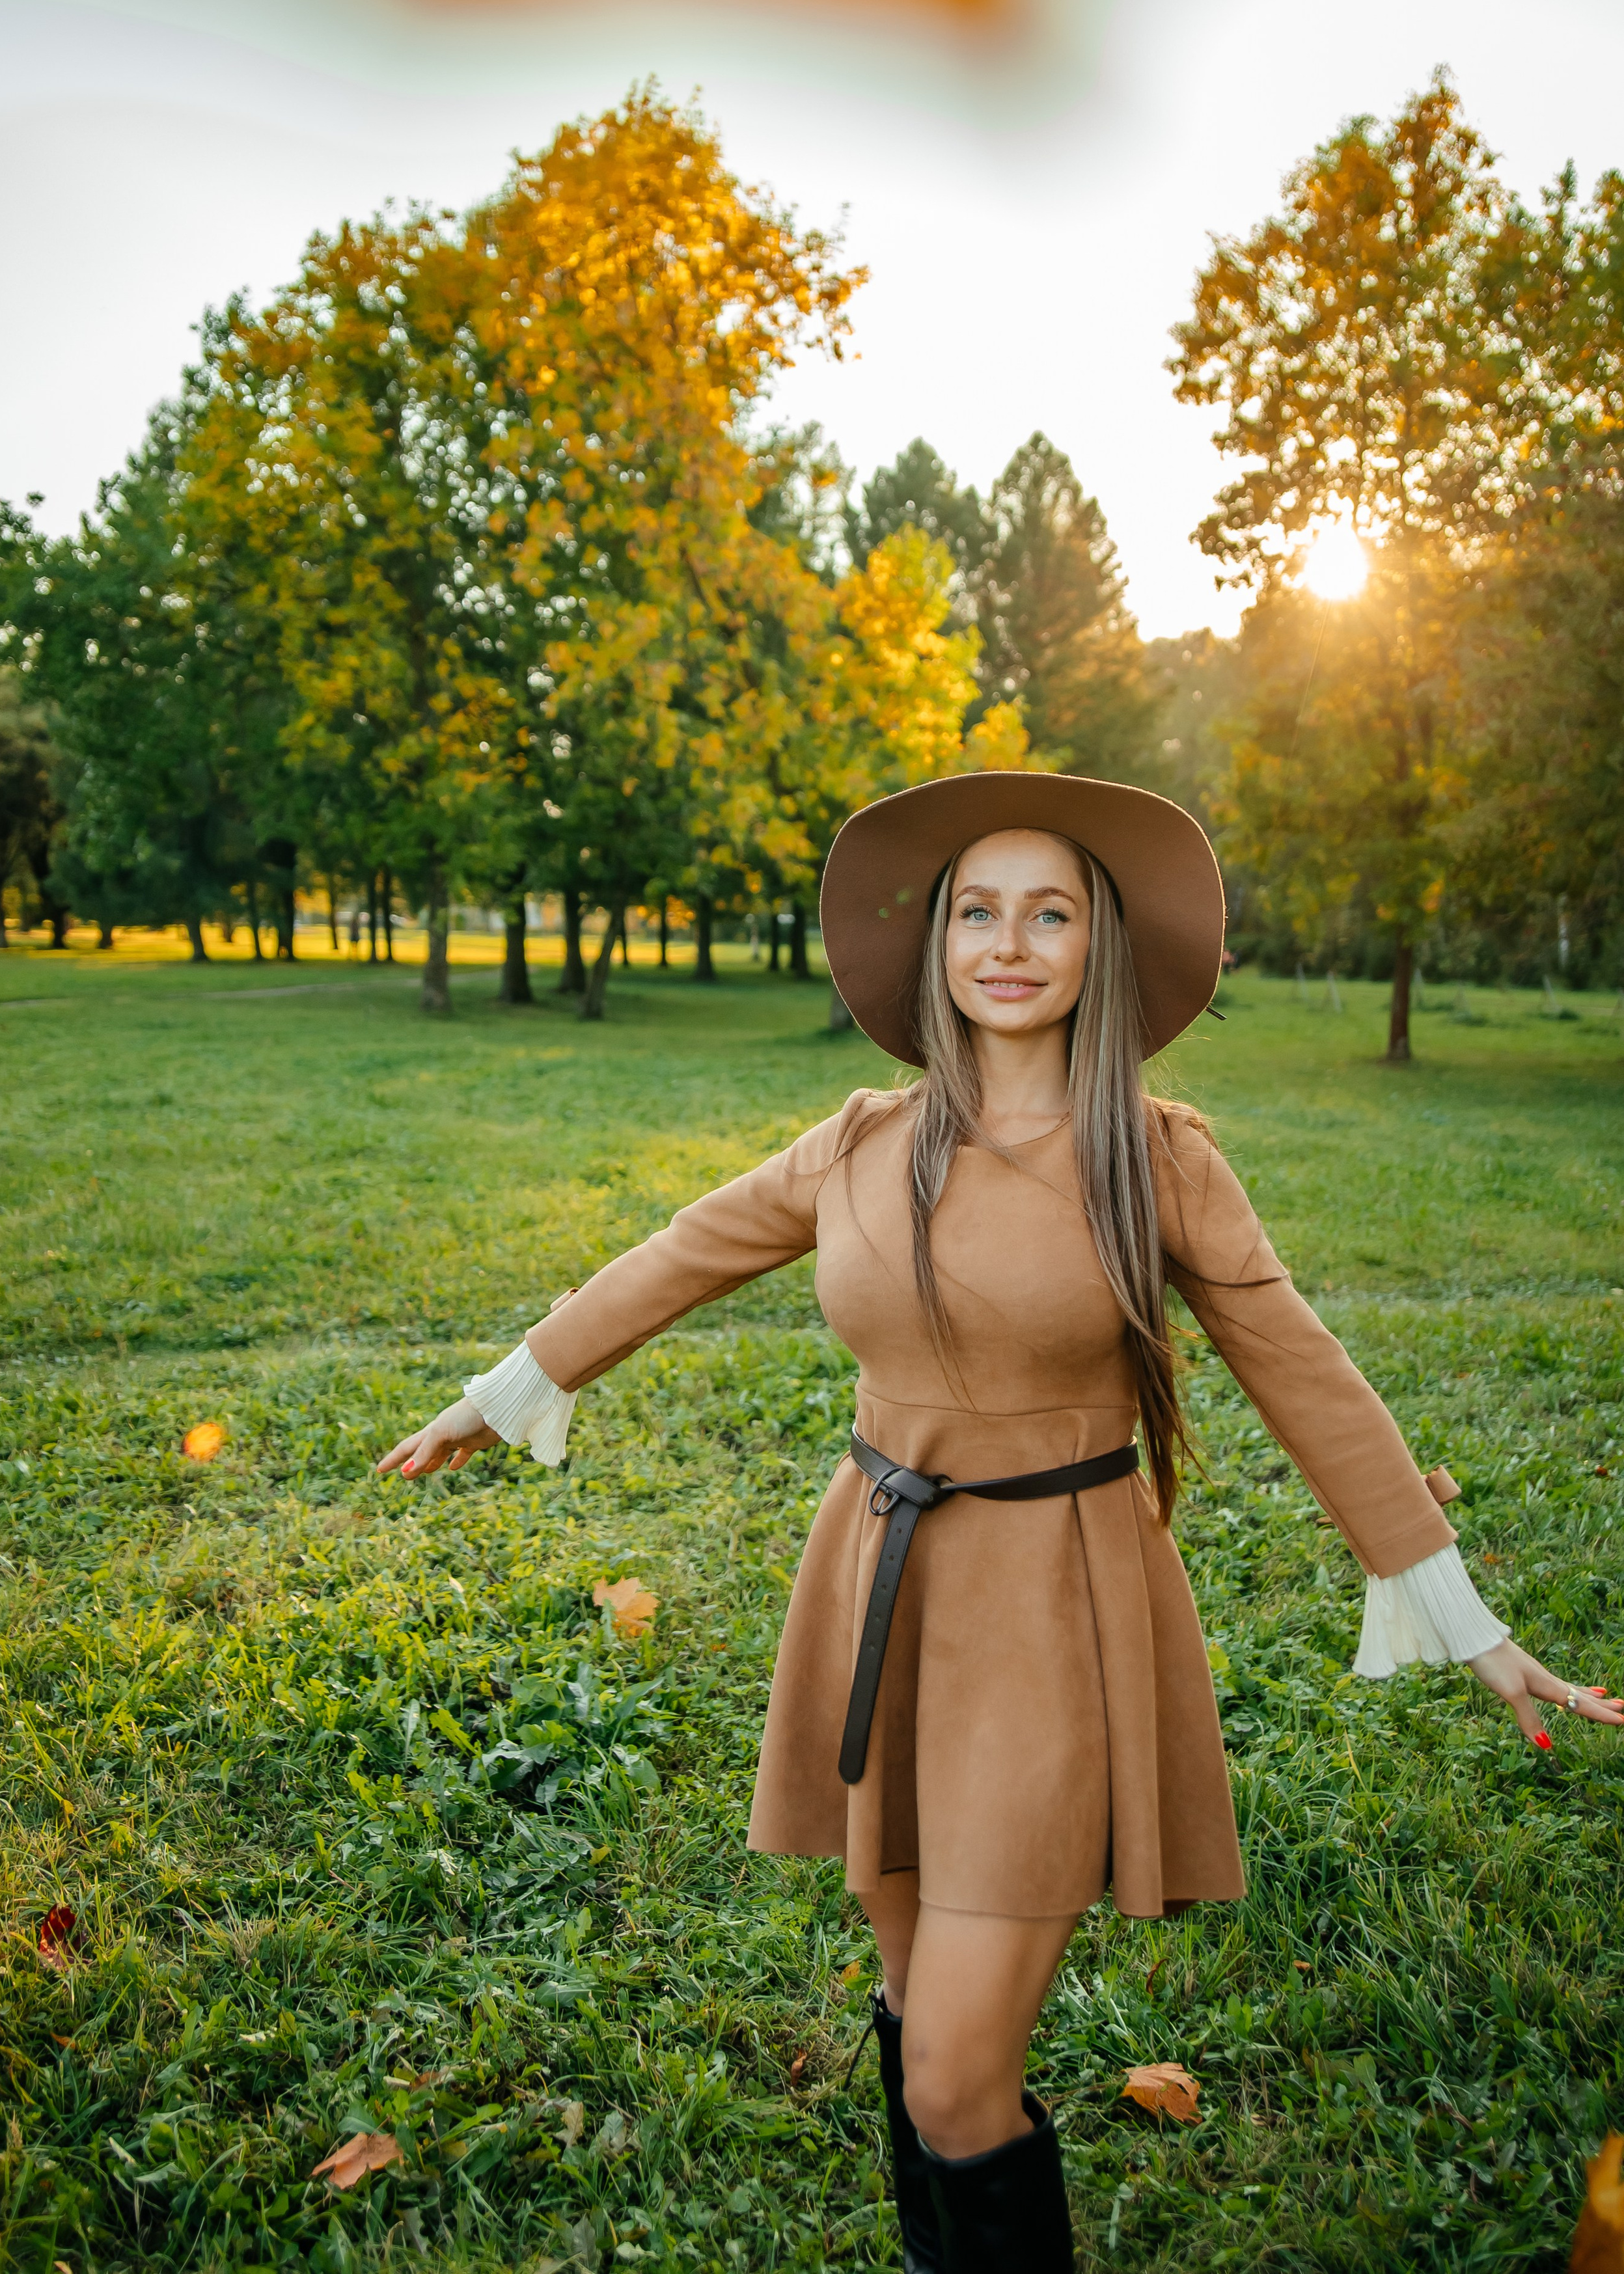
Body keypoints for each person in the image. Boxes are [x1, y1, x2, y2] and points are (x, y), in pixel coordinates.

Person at [377, 773, 1621, 2271]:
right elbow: (679, 1255)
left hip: (1054, 1606)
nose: (1008, 942)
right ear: (936, 944)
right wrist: (503, 1390)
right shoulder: (856, 1138)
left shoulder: (1154, 1156)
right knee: (915, 2033)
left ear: (1096, 947)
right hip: (878, 1589)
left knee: (956, 2074)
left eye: (1049, 912)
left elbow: (1303, 1371)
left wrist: (1458, 1617)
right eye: (977, 910)